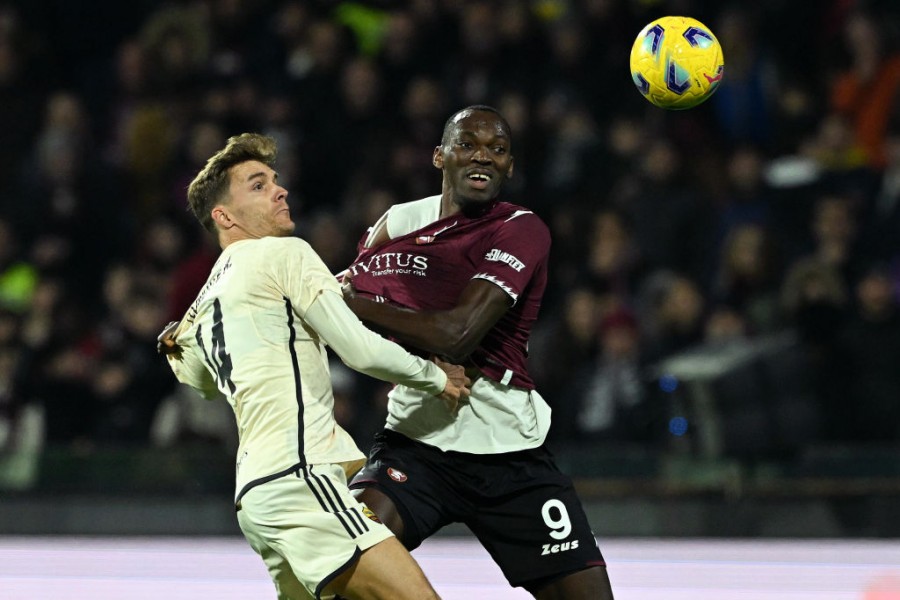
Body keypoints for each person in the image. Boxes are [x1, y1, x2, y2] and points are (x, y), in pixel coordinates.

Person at [156, 132, 471, 600]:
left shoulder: (200, 308)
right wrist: (434, 377)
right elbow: (359, 350)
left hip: (254, 497)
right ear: (223, 216)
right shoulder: (284, 252)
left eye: (275, 181)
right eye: (258, 186)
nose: (280, 190)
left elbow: (201, 384)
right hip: (299, 477)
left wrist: (173, 344)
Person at [341, 106, 615, 599]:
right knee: (345, 552)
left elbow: (457, 334)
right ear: (439, 155)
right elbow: (347, 309)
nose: (482, 157)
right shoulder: (399, 222)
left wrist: (353, 304)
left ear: (510, 167)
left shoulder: (521, 229)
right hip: (416, 440)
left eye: (498, 149)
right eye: (468, 144)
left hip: (506, 450)